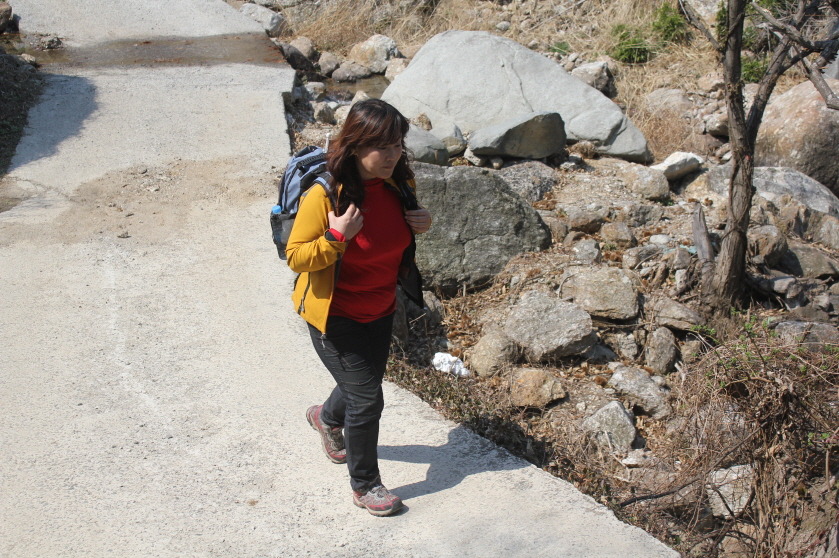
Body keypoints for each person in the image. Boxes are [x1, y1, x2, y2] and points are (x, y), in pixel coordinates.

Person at [285, 99, 432, 517]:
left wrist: (423, 222)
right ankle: (366, 484)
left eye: (398, 145)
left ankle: (326, 418)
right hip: (334, 316)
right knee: (367, 399)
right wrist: (336, 237)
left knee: (360, 385)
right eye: (381, 146)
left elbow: (395, 236)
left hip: (381, 308)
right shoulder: (325, 195)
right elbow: (296, 257)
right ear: (355, 145)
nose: (392, 155)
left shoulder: (400, 185)